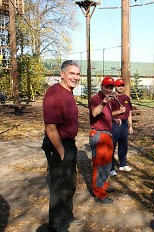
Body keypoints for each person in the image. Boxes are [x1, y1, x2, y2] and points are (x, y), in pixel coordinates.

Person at [41, 60, 84, 231]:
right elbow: (50, 128)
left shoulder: (68, 92)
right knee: (59, 188)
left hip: (69, 144)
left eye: (78, 74)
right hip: (57, 145)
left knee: (70, 185)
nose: (76, 77)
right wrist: (62, 152)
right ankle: (57, 226)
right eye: (72, 73)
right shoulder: (54, 94)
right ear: (62, 74)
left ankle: (68, 218)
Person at [89, 76, 116, 204]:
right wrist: (104, 102)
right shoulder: (96, 98)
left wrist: (114, 119)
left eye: (111, 87)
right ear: (102, 86)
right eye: (107, 87)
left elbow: (104, 116)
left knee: (107, 165)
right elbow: (94, 113)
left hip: (107, 135)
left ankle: (103, 186)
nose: (109, 90)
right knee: (99, 165)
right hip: (99, 135)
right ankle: (99, 194)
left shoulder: (108, 101)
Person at [109, 79, 134, 175]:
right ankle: (110, 167)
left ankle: (123, 164)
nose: (121, 87)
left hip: (124, 124)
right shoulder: (111, 98)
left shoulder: (126, 98)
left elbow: (129, 112)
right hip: (114, 124)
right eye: (119, 85)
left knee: (124, 144)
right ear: (115, 86)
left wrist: (130, 125)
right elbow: (107, 114)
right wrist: (119, 112)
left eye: (123, 85)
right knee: (112, 145)